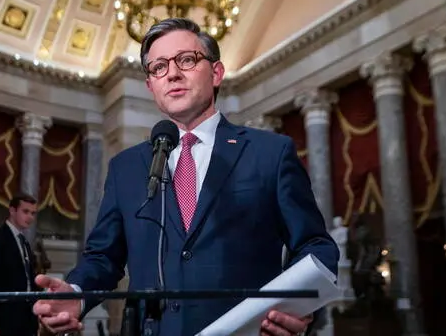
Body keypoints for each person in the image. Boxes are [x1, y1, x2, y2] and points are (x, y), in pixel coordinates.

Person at [33, 18, 339, 336]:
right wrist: (76, 293)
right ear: (151, 85)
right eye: (159, 67)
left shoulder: (269, 152)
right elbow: (103, 257)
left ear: (216, 72)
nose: (173, 74)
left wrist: (296, 311)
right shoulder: (126, 166)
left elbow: (316, 247)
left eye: (187, 60)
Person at [0, 194, 40, 336]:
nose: (30, 217)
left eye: (33, 213)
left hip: (27, 315)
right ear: (12, 210)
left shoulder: (23, 241)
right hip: (5, 316)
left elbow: (28, 278)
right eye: (25, 212)